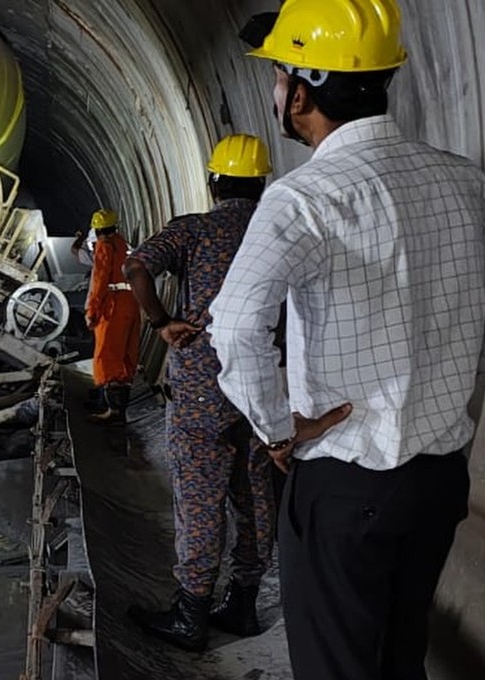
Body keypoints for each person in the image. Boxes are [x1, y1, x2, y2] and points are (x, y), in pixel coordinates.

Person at [208, 1, 485, 678]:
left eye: (276, 76)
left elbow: (238, 324)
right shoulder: (465, 183)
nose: (276, 91)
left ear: (299, 92)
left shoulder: (305, 198)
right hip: (440, 477)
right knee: (398, 656)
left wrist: (276, 428)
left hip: (346, 483)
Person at [122, 134, 276, 651]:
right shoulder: (277, 228)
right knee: (254, 492)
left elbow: (136, 267)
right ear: (261, 183)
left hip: (201, 387)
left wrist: (162, 322)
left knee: (200, 496)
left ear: (213, 182)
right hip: (263, 384)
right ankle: (243, 603)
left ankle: (190, 612)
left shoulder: (195, 228)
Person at [83, 208, 140, 424]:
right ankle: (114, 405)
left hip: (113, 304)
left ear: (97, 231)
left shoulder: (104, 247)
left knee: (107, 355)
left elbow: (99, 281)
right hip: (131, 302)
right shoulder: (123, 245)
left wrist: (92, 311)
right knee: (125, 355)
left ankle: (112, 411)